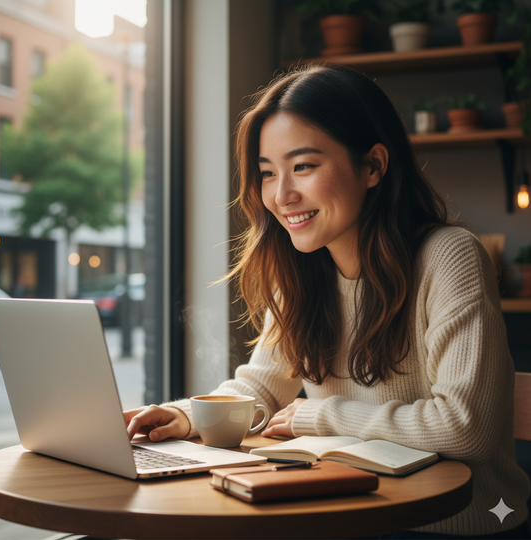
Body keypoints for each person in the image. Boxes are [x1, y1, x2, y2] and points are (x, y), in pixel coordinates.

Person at [124, 65, 530, 539]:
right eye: (267, 173)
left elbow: (466, 428)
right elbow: (262, 389)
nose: (281, 195)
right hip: (354, 512)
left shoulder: (449, 257)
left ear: (373, 166)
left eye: (303, 166)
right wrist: (185, 416)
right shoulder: (304, 268)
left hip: (458, 525)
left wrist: (320, 415)